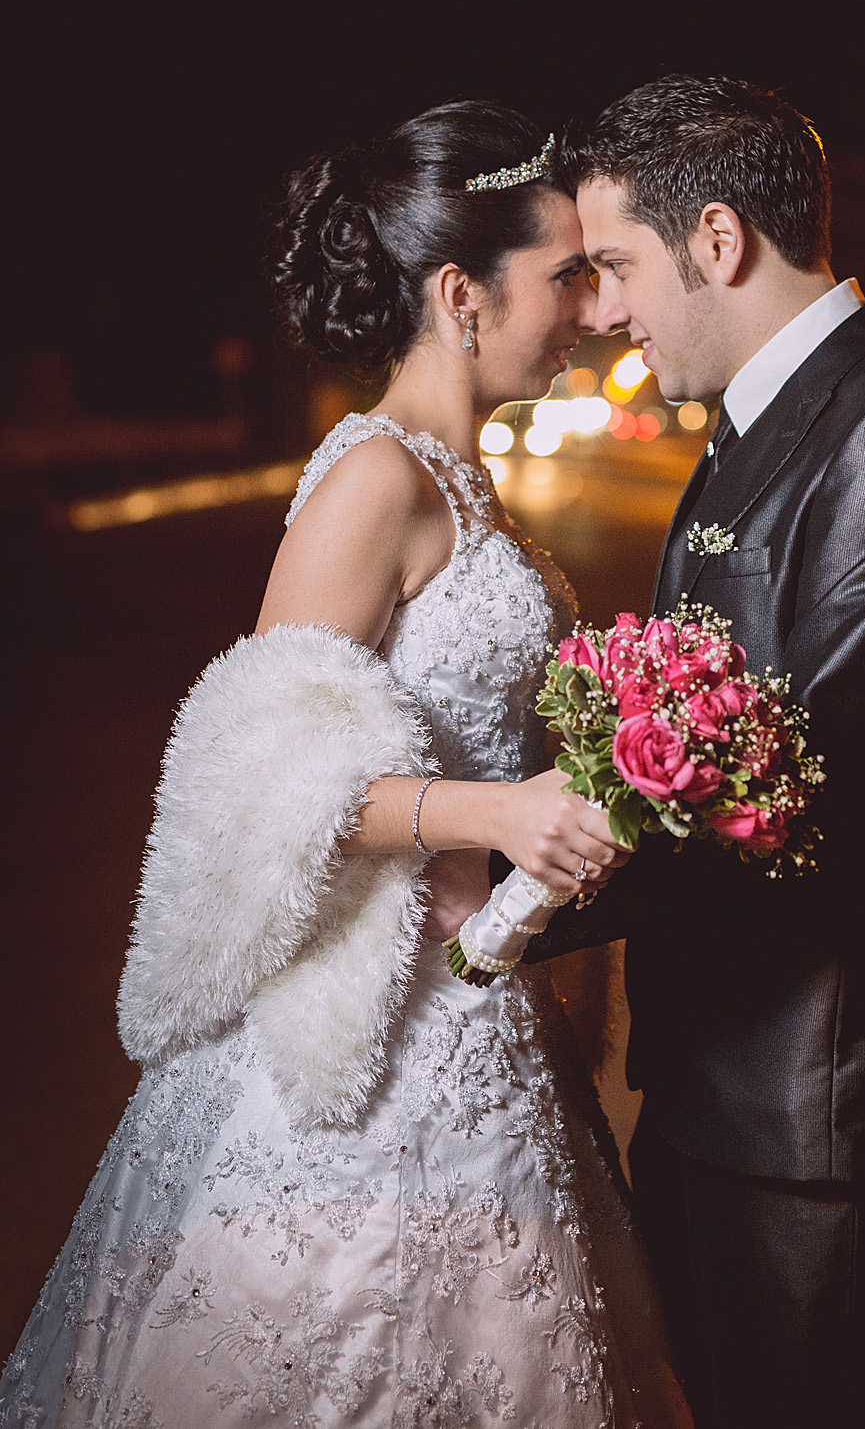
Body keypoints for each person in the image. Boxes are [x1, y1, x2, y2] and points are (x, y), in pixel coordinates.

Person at [0, 102, 692, 1429]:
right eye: (565, 274)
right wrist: (503, 810)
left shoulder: (464, 482)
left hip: (481, 1005)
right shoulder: (375, 480)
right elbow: (251, 777)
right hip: (373, 1045)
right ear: (459, 295)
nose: (590, 305)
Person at [520, 75, 865, 1427]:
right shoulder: (756, 423)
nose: (607, 308)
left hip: (827, 1092)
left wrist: (512, 901)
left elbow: (813, 784)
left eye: (619, 264)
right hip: (727, 1073)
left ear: (721, 241)